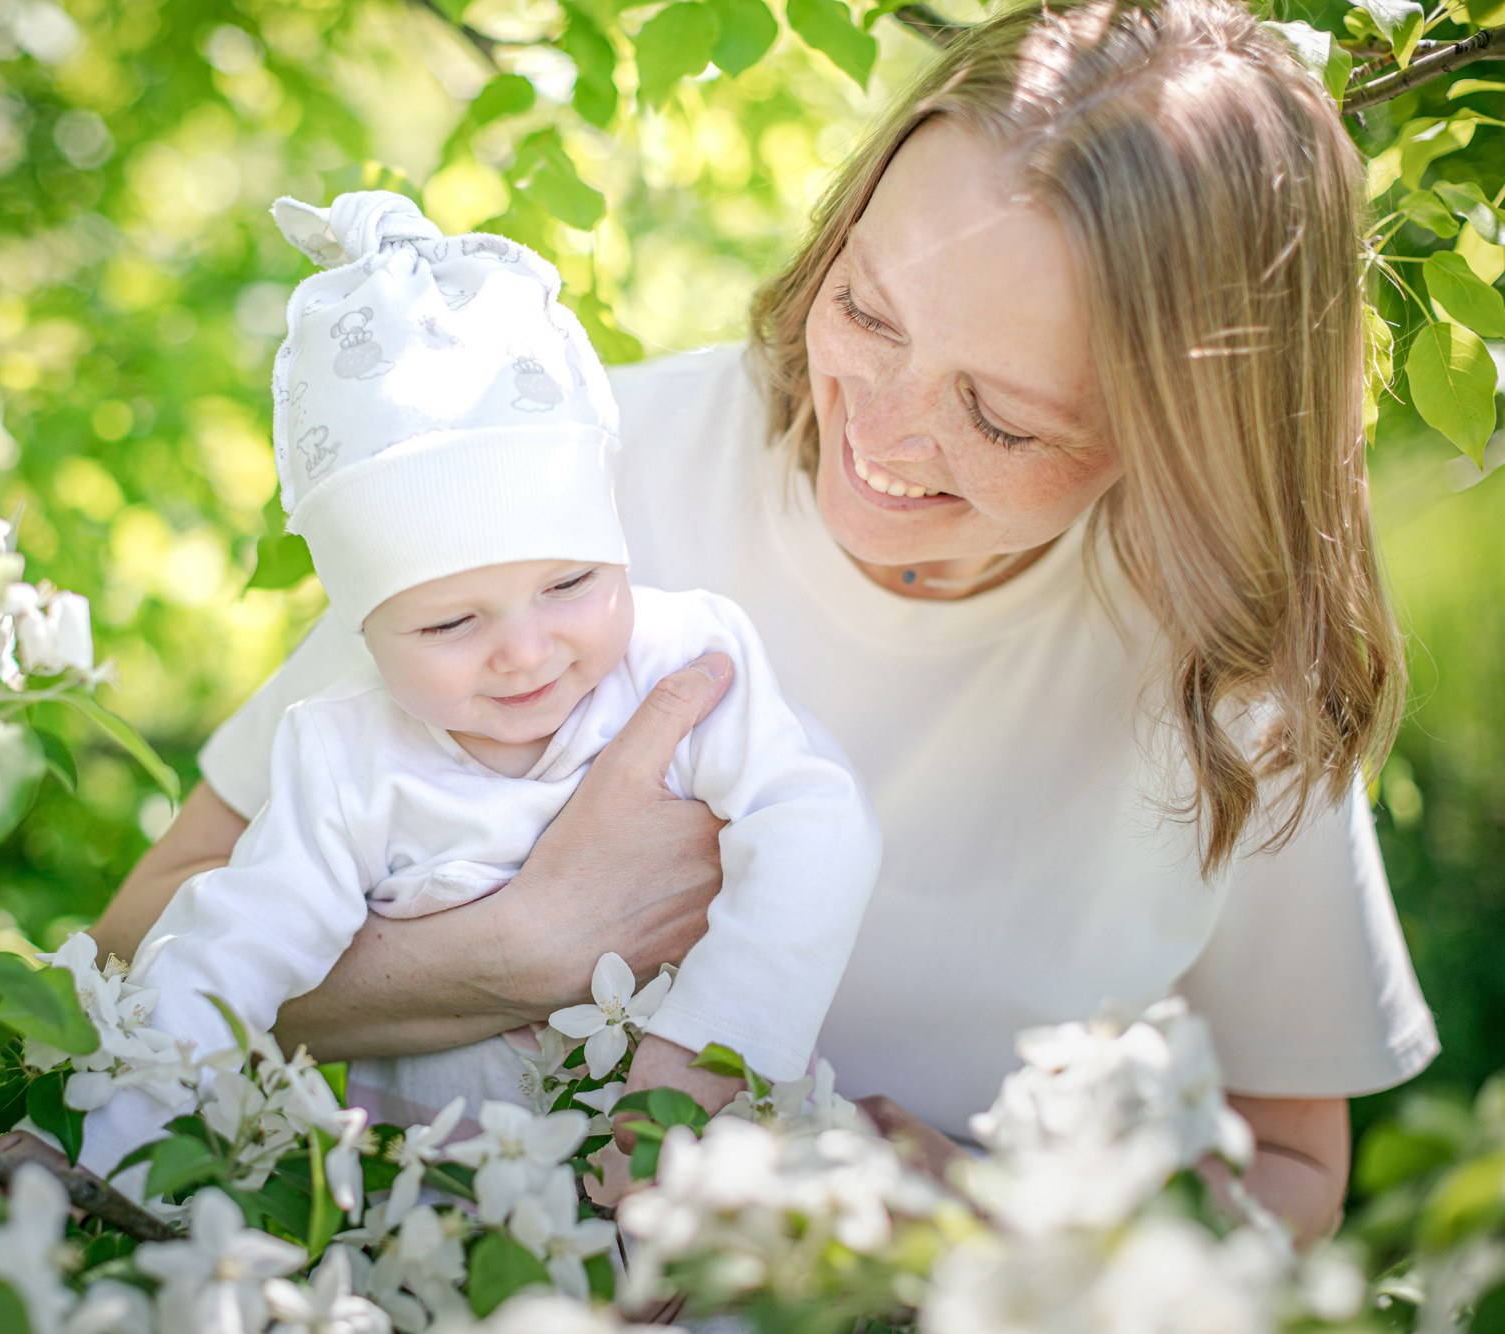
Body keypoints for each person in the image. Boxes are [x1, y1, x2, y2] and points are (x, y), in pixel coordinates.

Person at [96, 0, 1438, 1239]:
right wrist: (520, 951)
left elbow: (1295, 1167)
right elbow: (132, 942)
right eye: (866, 309)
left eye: (1003, 416)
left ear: (1191, 439)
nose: (884, 432)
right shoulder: (570, 488)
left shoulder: (1232, 662)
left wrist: (1009, 1251)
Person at [75, 192, 879, 1179]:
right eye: (451, 621)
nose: (524, 650)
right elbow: (232, 943)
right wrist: (106, 1142)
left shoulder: (683, 661)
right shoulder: (342, 755)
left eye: (570, 582)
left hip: (686, 1188)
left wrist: (706, 1057)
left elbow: (814, 820)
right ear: (362, 630)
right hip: (441, 1212)